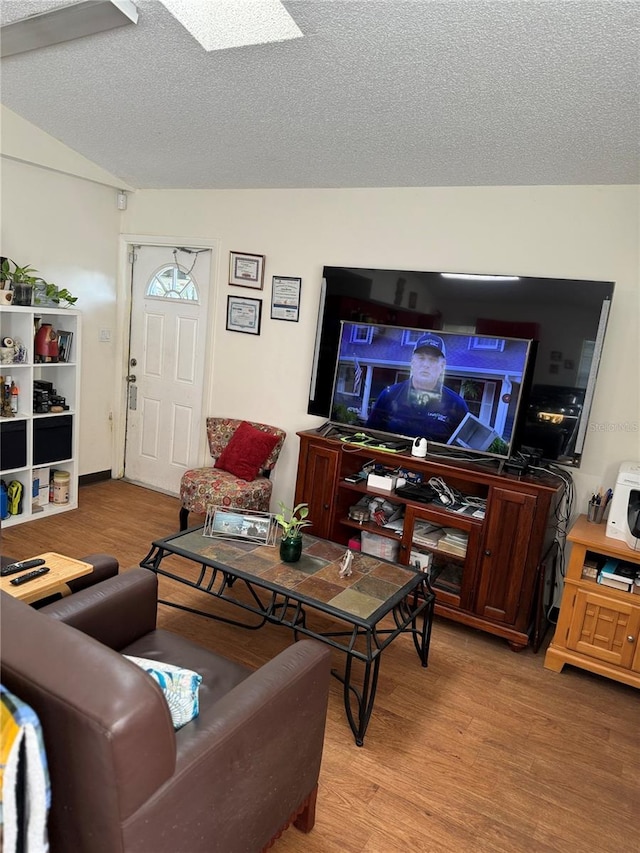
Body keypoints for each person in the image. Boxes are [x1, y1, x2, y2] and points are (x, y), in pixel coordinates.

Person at [366, 333, 468, 441]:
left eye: (432, 360)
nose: (426, 365)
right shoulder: (389, 395)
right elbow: (368, 438)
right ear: (412, 362)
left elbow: (464, 453)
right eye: (421, 358)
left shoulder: (457, 405)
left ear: (442, 366)